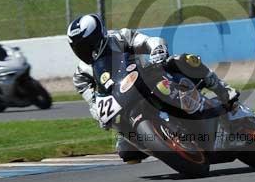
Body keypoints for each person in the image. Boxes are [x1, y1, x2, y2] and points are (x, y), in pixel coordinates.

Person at [67, 14, 240, 164]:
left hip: (147, 76)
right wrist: (96, 109)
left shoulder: (119, 38)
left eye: (87, 44)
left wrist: (157, 49)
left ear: (99, 35)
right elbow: (90, 97)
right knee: (128, 154)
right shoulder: (82, 72)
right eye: (78, 48)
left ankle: (223, 90)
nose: (84, 51)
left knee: (183, 60)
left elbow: (148, 40)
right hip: (122, 99)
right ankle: (164, 139)